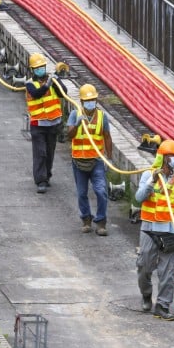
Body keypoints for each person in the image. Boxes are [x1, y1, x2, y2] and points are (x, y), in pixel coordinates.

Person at [134, 139, 174, 321]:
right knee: (144, 265)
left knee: (167, 271)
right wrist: (152, 181)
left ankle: (163, 305)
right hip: (149, 228)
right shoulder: (148, 175)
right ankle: (146, 293)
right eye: (172, 156)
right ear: (164, 157)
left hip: (170, 231)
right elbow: (139, 197)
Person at [66, 84, 111, 236]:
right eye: (87, 100)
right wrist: (78, 124)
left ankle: (101, 222)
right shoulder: (74, 114)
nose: (90, 102)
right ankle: (86, 219)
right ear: (82, 101)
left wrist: (109, 159)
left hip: (96, 161)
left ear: (96, 100)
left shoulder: (102, 117)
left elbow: (107, 136)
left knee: (101, 191)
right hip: (79, 161)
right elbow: (69, 135)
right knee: (81, 193)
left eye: (92, 99)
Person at [25, 52, 64, 193]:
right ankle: (40, 180)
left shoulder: (52, 82)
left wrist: (57, 81)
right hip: (38, 125)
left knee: (49, 152)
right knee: (40, 152)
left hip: (53, 124)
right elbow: (37, 93)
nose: (40, 69)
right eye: (37, 68)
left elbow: (62, 93)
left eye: (42, 67)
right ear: (32, 70)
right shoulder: (30, 84)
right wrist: (48, 84)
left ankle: (47, 176)